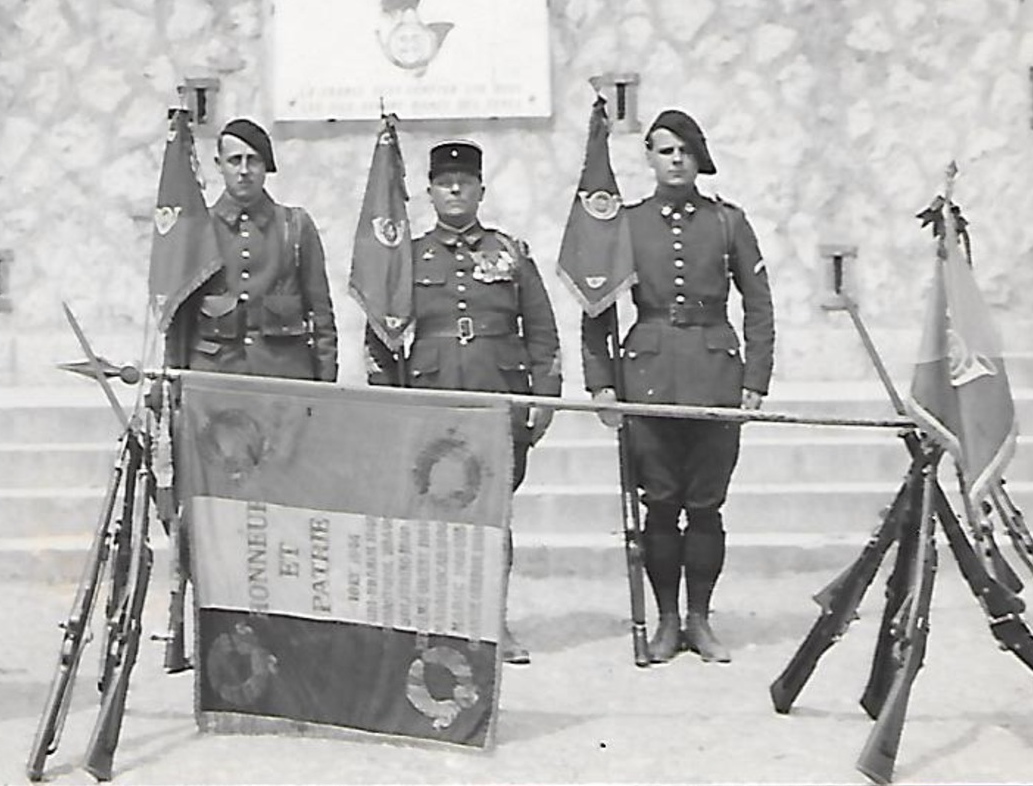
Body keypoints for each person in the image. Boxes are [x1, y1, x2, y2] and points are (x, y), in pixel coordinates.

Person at [582, 110, 774, 665]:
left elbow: (758, 306)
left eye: (685, 151)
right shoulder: (626, 223)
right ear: (649, 156)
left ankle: (700, 620)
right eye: (665, 150)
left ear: (699, 158)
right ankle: (666, 621)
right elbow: (598, 308)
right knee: (660, 506)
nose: (675, 160)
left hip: (715, 377)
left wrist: (755, 380)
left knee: (707, 506)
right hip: (648, 378)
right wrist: (602, 384)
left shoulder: (727, 223)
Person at [364, 140, 561, 664]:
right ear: (429, 192)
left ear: (480, 190)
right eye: (445, 182)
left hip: (498, 405)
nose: (455, 189)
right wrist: (388, 406)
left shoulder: (510, 254)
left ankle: (493, 623)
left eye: (465, 182)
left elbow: (542, 332)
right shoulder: (407, 258)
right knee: (433, 519)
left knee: (493, 518)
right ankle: (437, 622)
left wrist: (545, 398)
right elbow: (380, 339)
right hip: (432, 407)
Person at [168, 118, 337, 381]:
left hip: (283, 379)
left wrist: (326, 387)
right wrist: (174, 381)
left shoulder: (295, 226)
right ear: (219, 166)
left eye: (253, 160)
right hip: (216, 379)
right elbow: (179, 320)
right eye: (235, 160)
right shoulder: (198, 230)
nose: (244, 170)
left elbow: (321, 315)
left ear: (266, 167)